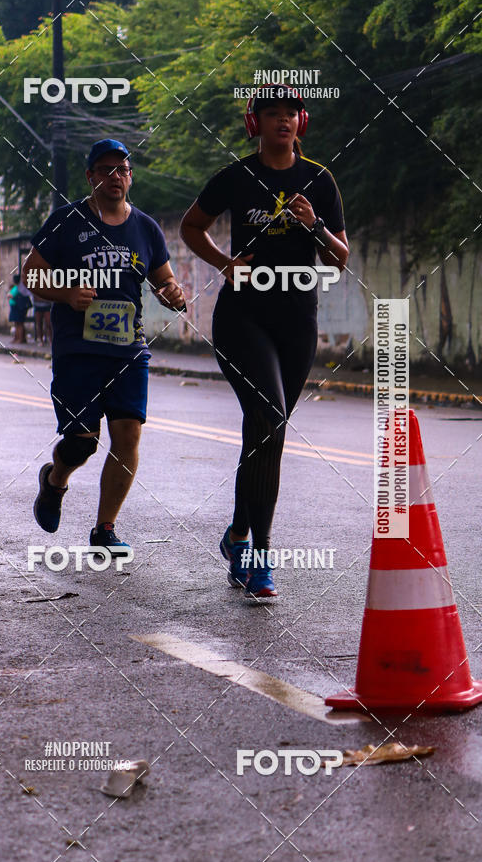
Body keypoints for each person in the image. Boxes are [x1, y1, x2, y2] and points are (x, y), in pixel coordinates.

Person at [180, 86, 349, 600]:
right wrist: (224, 264)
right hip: (242, 320)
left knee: (265, 432)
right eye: (270, 113)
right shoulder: (236, 176)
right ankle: (260, 557)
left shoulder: (319, 179)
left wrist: (313, 225)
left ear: (303, 120)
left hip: (297, 322)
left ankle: (236, 534)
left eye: (290, 113)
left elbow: (339, 258)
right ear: (255, 123)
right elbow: (193, 226)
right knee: (270, 420)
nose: (282, 121)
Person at [23, 138, 185, 551]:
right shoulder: (66, 220)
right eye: (107, 169)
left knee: (128, 435)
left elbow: (164, 278)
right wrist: (66, 293)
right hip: (79, 350)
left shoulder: (145, 227)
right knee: (81, 441)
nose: (116, 177)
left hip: (128, 350)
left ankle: (105, 529)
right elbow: (31, 276)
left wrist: (172, 291)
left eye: (123, 169)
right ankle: (55, 480)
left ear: (130, 176)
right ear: (91, 175)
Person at [8, 274, 31, 344]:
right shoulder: (16, 287)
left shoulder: (20, 288)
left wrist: (10, 296)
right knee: (16, 323)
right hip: (14, 307)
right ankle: (16, 337)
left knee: (20, 323)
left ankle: (21, 338)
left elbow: (16, 296)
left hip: (19, 307)